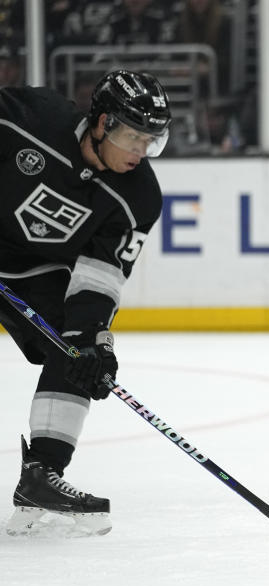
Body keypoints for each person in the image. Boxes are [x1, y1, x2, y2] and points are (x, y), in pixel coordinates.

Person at [0, 70, 172, 536]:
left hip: (35, 274)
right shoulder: (27, 118)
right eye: (132, 136)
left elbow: (103, 272)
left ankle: (42, 475)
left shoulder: (139, 198)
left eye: (150, 141)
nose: (139, 151)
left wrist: (93, 335)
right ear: (99, 123)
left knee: (79, 354)